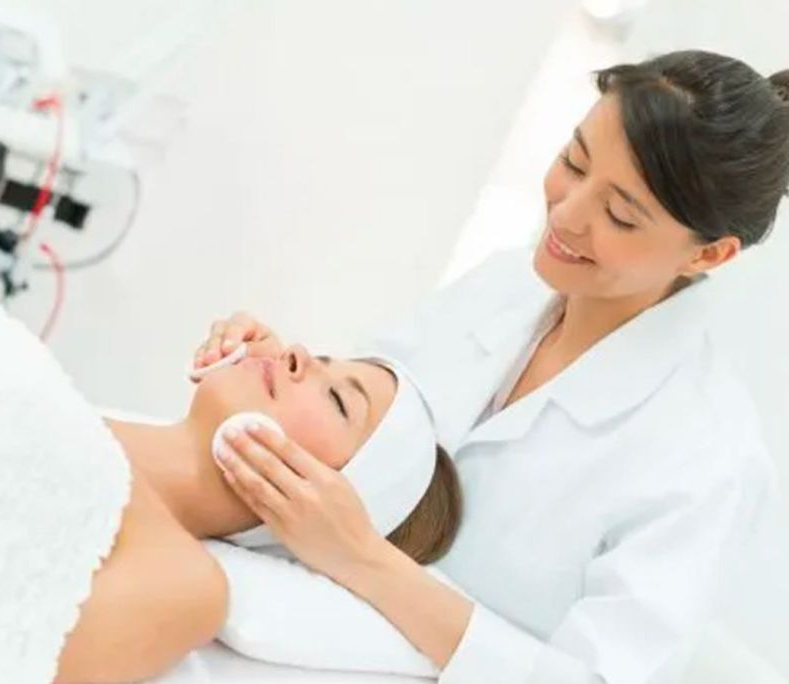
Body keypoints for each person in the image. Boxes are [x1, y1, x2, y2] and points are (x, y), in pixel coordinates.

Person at [196, 50, 789, 683]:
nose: (565, 214)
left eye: (619, 214)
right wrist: (272, 376)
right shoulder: (503, 286)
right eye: (574, 162)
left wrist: (363, 560)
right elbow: (370, 438)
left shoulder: (706, 461)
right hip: (283, 622)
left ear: (710, 255)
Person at [57, 346, 462, 682]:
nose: (295, 353)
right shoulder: (55, 391)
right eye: (321, 357)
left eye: (338, 400)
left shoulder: (182, 584)